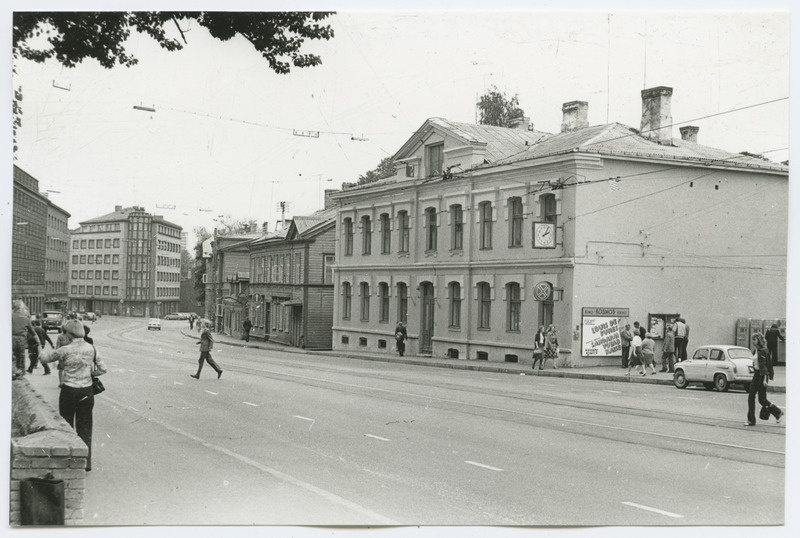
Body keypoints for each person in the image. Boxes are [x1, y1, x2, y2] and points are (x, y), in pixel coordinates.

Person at [40, 320, 107, 471]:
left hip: (69, 391)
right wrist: (90, 374)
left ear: (70, 333)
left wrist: (40, 351)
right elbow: (103, 369)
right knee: (85, 427)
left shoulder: (65, 349)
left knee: (67, 426)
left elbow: (45, 359)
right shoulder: (92, 349)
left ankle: (68, 460)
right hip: (87, 392)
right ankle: (85, 462)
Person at [745, 333, 784, 426]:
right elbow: (758, 364)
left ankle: (751, 420)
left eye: (754, 339)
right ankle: (778, 413)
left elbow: (766, 366)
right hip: (757, 375)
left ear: (758, 340)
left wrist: (766, 379)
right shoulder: (757, 350)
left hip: (761, 376)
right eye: (752, 339)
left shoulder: (763, 351)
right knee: (760, 399)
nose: (753, 341)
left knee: (755, 398)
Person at [11, 300, 35, 379]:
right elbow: (32, 332)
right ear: (21, 308)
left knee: (12, 356)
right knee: (21, 356)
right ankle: (20, 374)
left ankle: (12, 372)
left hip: (11, 338)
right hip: (21, 339)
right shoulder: (26, 318)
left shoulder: (10, 316)